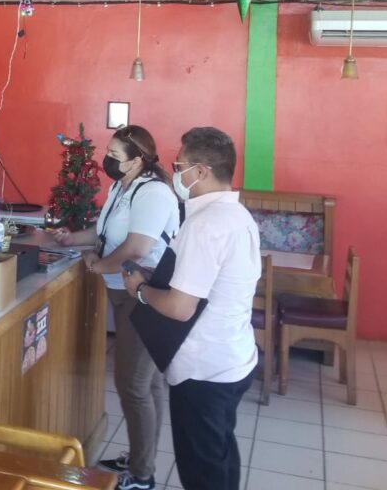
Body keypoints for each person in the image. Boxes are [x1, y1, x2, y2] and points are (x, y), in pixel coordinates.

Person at [122, 127, 260, 490]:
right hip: (233, 358)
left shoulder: (206, 224)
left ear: (200, 171)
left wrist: (140, 290)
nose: (175, 173)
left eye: (178, 165)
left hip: (204, 371)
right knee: (220, 454)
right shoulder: (238, 215)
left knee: (202, 473)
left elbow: (180, 308)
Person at [54, 125, 178, 490]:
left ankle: (141, 475)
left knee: (133, 385)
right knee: (148, 383)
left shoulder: (153, 192)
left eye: (114, 155)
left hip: (144, 294)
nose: (106, 160)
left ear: (137, 160)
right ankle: (141, 459)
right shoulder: (122, 187)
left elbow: (137, 247)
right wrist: (72, 239)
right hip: (124, 290)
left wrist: (98, 266)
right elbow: (104, 231)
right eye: (107, 151)